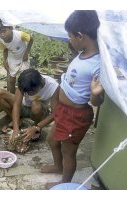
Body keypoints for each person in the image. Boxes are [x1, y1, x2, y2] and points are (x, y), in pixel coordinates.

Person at [40, 10, 104, 189]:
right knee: (52, 140)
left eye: (70, 36)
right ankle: (58, 166)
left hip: (75, 115)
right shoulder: (82, 53)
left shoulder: (97, 64)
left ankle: (64, 184)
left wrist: (95, 93)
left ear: (80, 36)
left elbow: (97, 102)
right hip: (63, 110)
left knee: (69, 152)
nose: (69, 40)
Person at [0, 68, 59, 143]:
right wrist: (16, 128)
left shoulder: (53, 87)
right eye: (25, 91)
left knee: (36, 104)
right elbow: (16, 105)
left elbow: (55, 113)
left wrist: (37, 127)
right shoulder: (25, 81)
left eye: (30, 92)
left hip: (39, 112)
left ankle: (35, 127)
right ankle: (18, 121)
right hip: (24, 106)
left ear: (39, 85)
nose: (27, 94)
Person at [0, 17, 34, 94]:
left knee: (25, 79)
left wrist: (26, 53)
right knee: (12, 80)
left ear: (11, 28)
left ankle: (25, 97)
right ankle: (12, 96)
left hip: (23, 59)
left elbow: (31, 39)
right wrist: (4, 61)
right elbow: (5, 50)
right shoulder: (0, 40)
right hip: (12, 59)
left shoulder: (20, 35)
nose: (2, 34)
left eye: (4, 31)